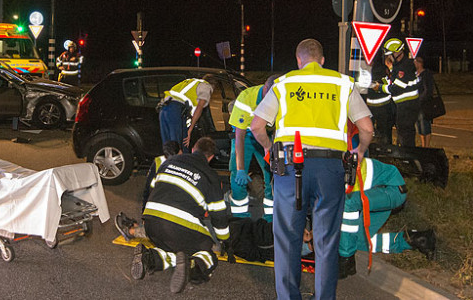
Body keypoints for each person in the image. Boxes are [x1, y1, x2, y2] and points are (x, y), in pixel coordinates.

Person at [248, 39, 374, 300]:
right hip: (330, 169)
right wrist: (359, 152)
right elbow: (367, 128)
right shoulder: (341, 83)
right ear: (323, 60)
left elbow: (256, 125)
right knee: (326, 242)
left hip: (289, 168)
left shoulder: (284, 84)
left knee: (287, 240)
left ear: (298, 60)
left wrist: (270, 147)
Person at [130, 137, 230, 294]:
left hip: (151, 222)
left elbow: (152, 189)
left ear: (193, 149)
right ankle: (193, 266)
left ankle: (149, 258)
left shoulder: (169, 162)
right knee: (206, 249)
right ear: (210, 157)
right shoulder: (211, 176)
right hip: (179, 226)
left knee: (173, 248)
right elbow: (218, 215)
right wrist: (224, 239)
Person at [338, 156, 436, 277]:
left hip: (392, 189)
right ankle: (416, 240)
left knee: (348, 204)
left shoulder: (330, 169)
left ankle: (346, 258)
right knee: (354, 241)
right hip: (376, 192)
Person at [227, 77, 275, 222]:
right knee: (237, 176)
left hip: (266, 135)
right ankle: (241, 218)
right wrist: (241, 168)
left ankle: (270, 219)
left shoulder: (281, 96)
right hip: (246, 136)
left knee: (272, 174)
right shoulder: (247, 98)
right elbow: (239, 137)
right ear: (265, 90)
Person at [114, 140, 182, 241]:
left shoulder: (167, 163)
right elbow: (148, 191)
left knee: (162, 230)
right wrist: (145, 215)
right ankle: (139, 226)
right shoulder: (163, 162)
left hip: (175, 216)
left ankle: (131, 231)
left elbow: (149, 192)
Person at [374, 38, 421, 147]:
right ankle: (406, 153)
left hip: (408, 106)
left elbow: (395, 88)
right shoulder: (398, 66)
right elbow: (392, 83)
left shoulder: (405, 66)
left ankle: (408, 155)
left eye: (389, 54)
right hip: (403, 105)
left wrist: (379, 87)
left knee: (405, 133)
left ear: (397, 53)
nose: (388, 57)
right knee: (403, 132)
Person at [157, 76, 213, 149]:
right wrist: (190, 130)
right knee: (179, 147)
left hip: (164, 109)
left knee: (169, 148)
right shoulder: (206, 86)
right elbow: (199, 107)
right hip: (175, 110)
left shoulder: (189, 82)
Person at [365, 59, 395, 145]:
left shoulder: (368, 70)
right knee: (384, 131)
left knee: (372, 131)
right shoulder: (383, 69)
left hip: (375, 106)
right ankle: (386, 148)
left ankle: (376, 148)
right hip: (383, 106)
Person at [414, 56, 436, 147]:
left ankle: (426, 146)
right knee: (419, 126)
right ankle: (423, 145)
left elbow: (428, 90)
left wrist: (420, 100)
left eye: (415, 62)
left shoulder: (426, 74)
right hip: (416, 104)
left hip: (424, 104)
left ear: (419, 63)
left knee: (425, 125)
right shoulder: (415, 74)